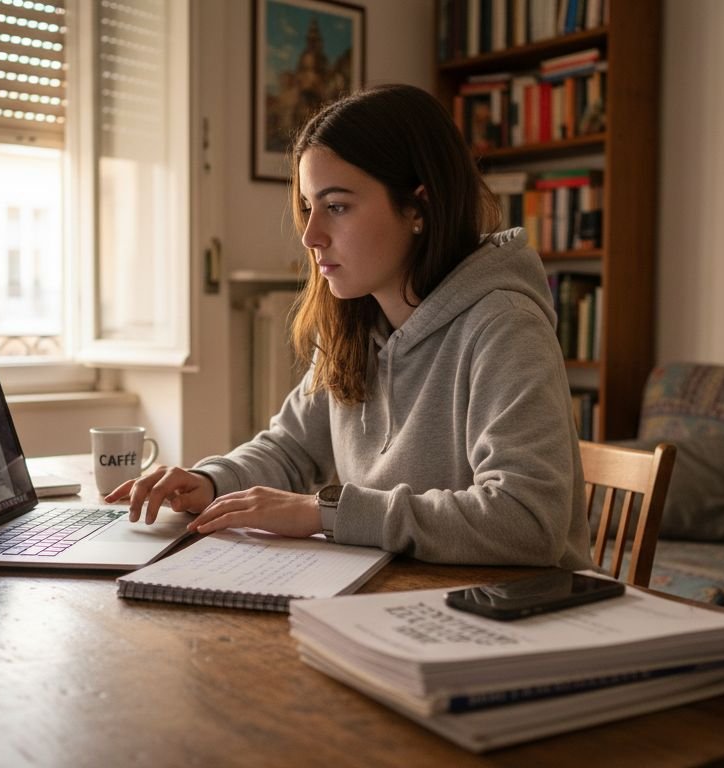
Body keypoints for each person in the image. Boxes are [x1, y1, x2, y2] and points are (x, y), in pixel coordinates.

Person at [106, 83, 590, 568]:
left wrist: (324, 513)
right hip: (398, 597)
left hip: (510, 617)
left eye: (336, 206)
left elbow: (526, 521)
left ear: (418, 207)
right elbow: (292, 447)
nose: (311, 235)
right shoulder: (357, 320)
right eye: (307, 208)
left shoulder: (505, 326)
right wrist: (211, 480)